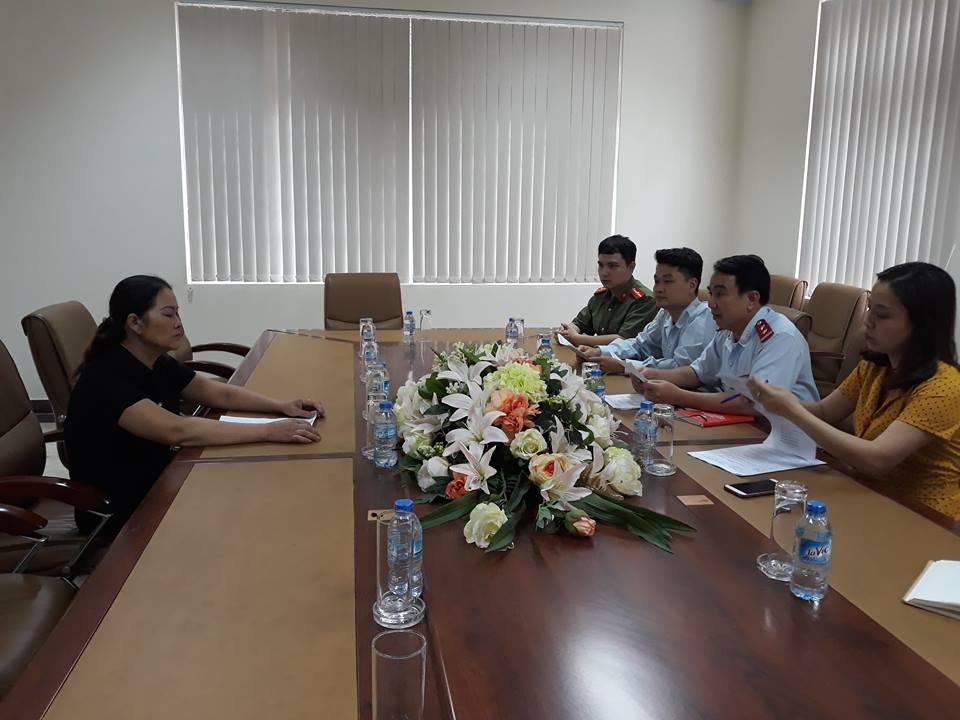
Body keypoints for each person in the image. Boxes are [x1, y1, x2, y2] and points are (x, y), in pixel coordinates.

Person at [66, 275, 323, 534]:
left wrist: (281, 406)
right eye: (168, 315)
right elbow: (178, 430)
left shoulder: (155, 361)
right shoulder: (106, 379)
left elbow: (215, 393)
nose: (179, 323)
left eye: (178, 313)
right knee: (249, 511)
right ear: (135, 323)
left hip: (163, 479)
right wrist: (268, 431)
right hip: (124, 510)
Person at [749, 262, 960, 519]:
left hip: (924, 517)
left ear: (922, 323)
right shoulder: (875, 365)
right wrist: (774, 401)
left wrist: (792, 410)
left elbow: (878, 460)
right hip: (868, 496)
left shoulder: (944, 387)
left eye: (882, 315)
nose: (867, 321)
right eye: (869, 308)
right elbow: (825, 412)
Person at [634, 255, 818, 415]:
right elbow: (698, 372)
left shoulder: (779, 337)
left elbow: (754, 403)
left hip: (779, 433)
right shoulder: (728, 329)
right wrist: (654, 375)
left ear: (752, 299)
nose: (711, 303)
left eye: (720, 294)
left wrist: (679, 396)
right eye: (711, 293)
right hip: (740, 425)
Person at [577, 248, 715, 375]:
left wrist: (625, 366)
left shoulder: (703, 319)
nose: (658, 289)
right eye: (657, 281)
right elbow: (640, 345)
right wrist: (599, 351)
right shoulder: (665, 314)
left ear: (692, 285)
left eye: (667, 281)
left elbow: (680, 367)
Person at [557, 235, 657, 347]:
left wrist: (577, 339)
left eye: (612, 266)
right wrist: (567, 331)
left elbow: (624, 340)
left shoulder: (645, 300)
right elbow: (580, 323)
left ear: (631, 267)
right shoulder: (602, 295)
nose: (604, 272)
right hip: (596, 355)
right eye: (601, 265)